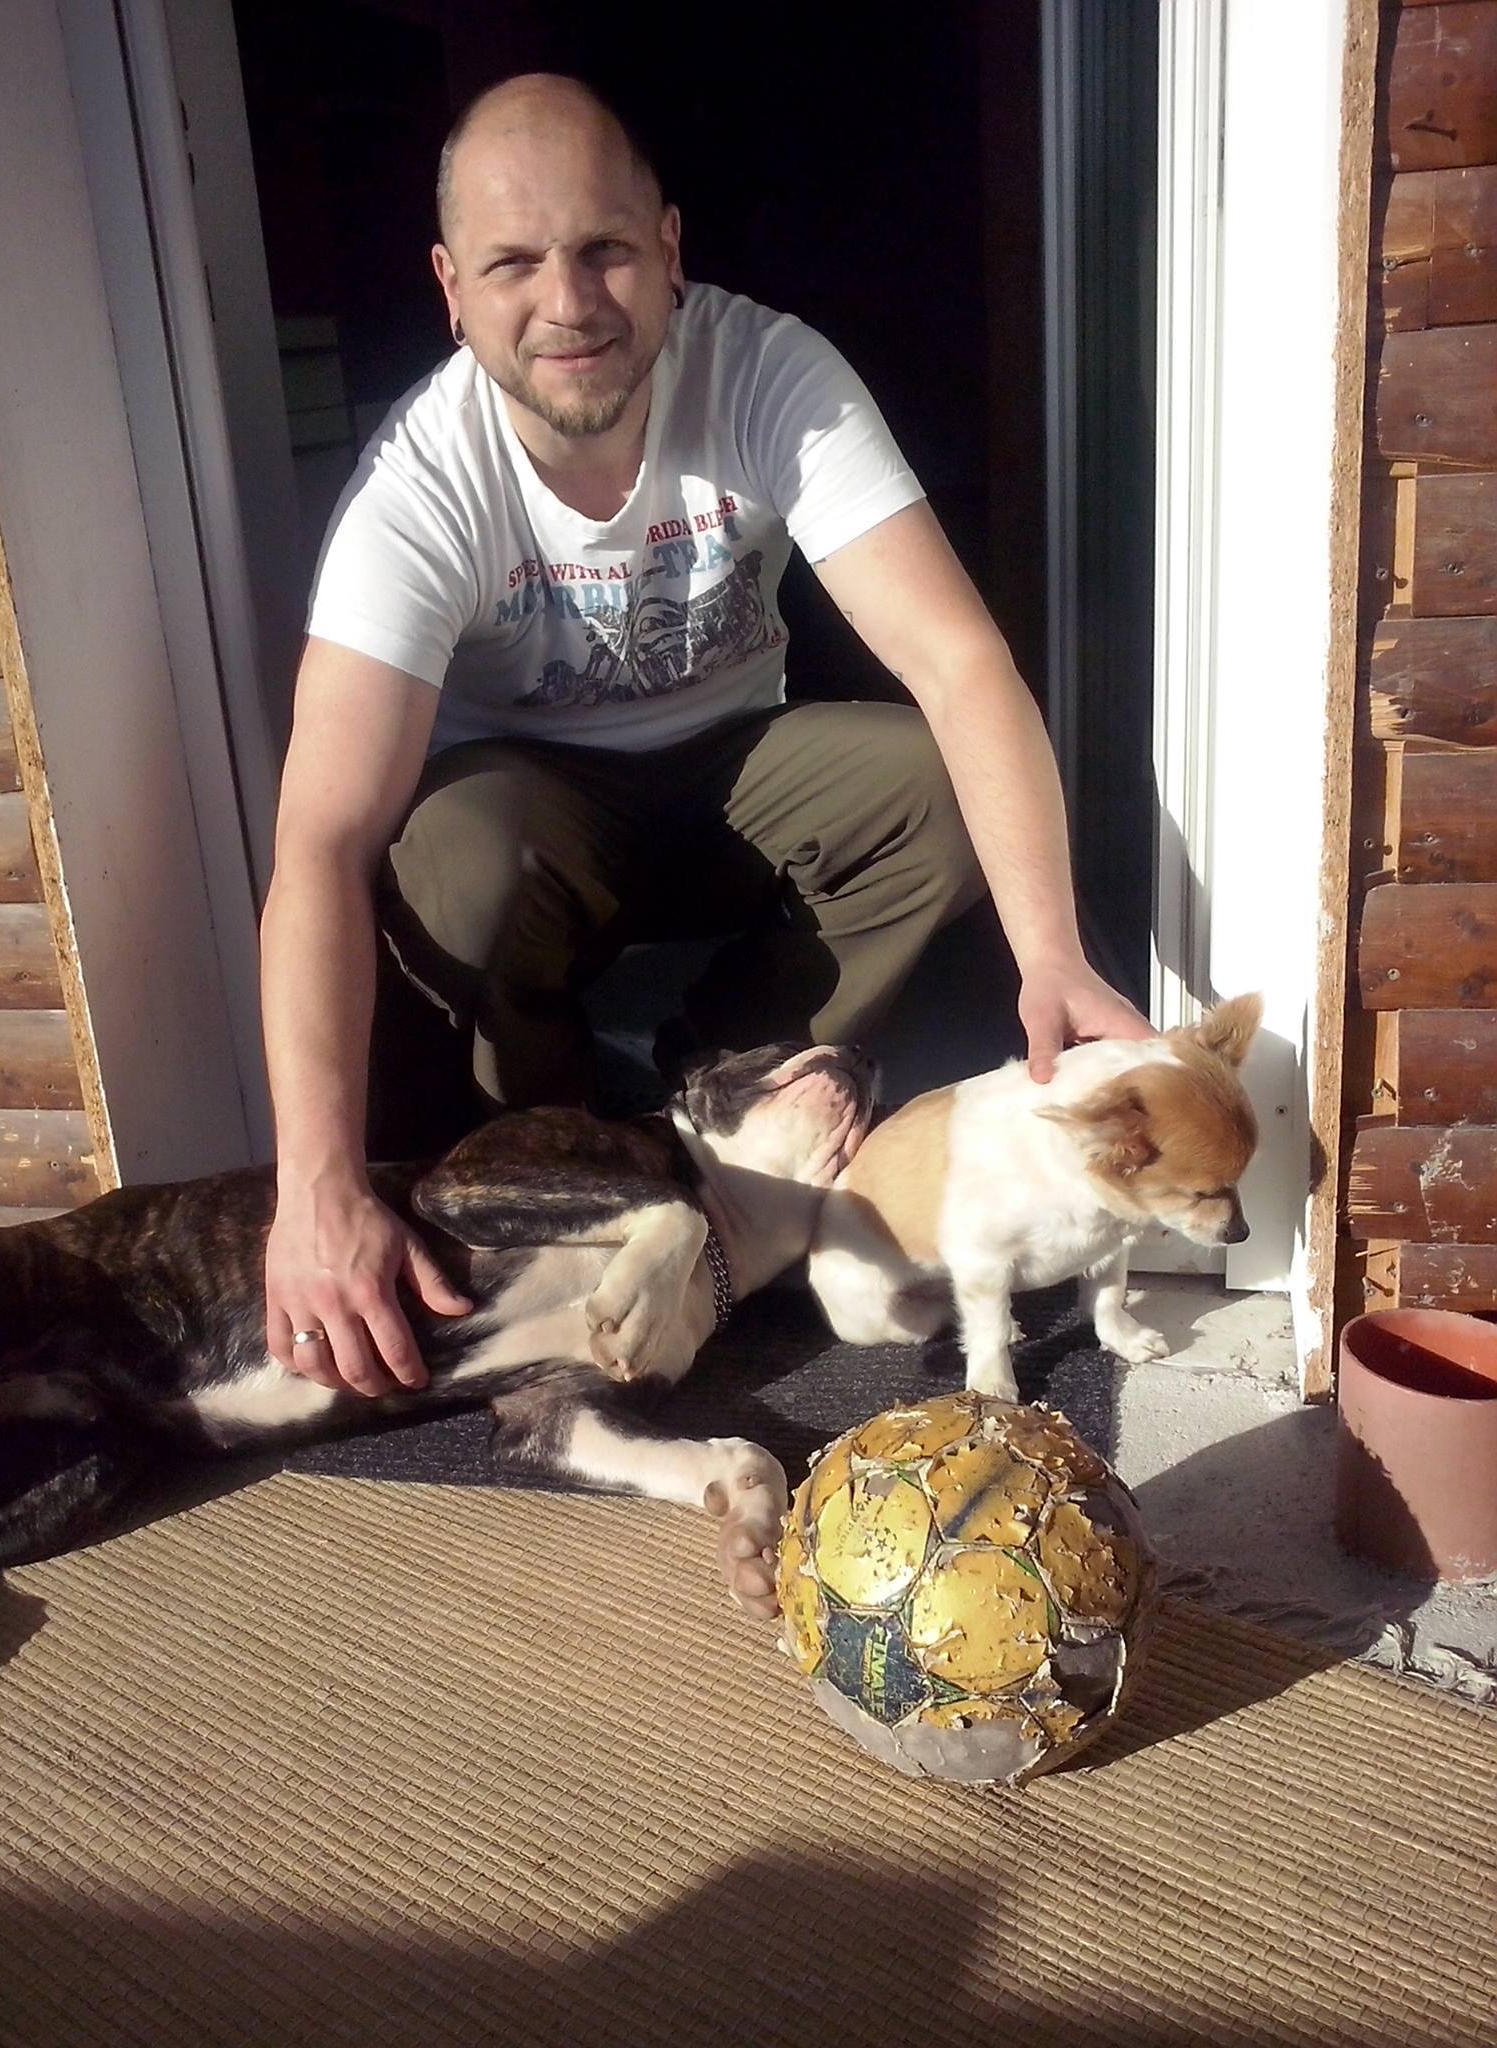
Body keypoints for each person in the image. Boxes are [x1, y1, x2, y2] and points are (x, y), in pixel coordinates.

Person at [260, 72, 1153, 1401]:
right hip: (545, 817)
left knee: (931, 787)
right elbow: (320, 846)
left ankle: (733, 1101)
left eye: (605, 249)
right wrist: (314, 1189)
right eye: (513, 264)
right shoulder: (419, 483)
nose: (568, 303)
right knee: (455, 852)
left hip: (740, 767)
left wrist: (1053, 957)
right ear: (452, 287)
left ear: (669, 248)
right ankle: (565, 1164)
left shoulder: (772, 374)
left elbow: (960, 664)